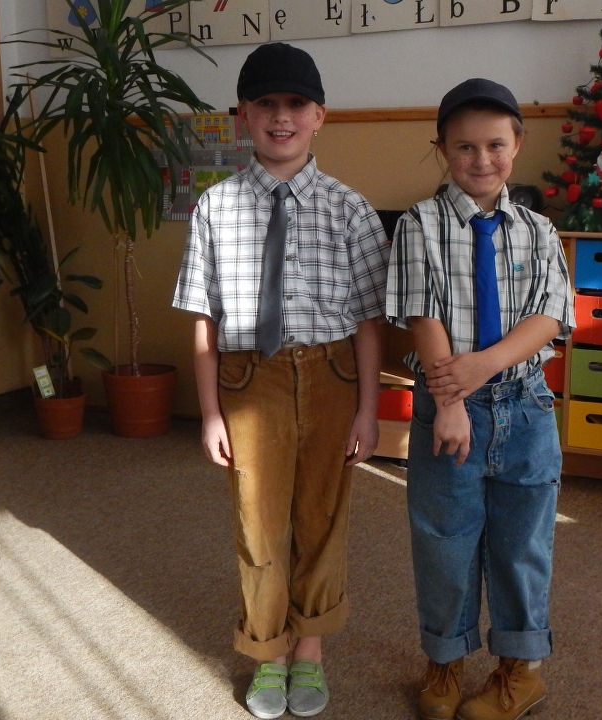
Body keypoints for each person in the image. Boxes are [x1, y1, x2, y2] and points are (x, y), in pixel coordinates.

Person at [172, 42, 390, 719]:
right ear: (243, 114)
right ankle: (267, 651)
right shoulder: (215, 208)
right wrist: (210, 412)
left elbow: (369, 323)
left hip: (331, 374)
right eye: (265, 103)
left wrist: (368, 410)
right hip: (250, 379)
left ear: (320, 115)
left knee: (322, 518)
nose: (281, 117)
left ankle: (310, 651)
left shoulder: (351, 210)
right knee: (258, 523)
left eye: (296, 104)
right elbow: (204, 320)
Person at [385, 78, 574, 720]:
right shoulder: (419, 224)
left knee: (523, 544)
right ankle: (445, 660)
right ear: (442, 150)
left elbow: (550, 316)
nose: (481, 159)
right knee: (445, 539)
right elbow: (424, 315)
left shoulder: (539, 230)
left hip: (526, 408)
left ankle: (522, 670)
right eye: (464, 147)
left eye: (495, 145)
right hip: (449, 409)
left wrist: (483, 366)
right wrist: (453, 401)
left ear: (516, 145)